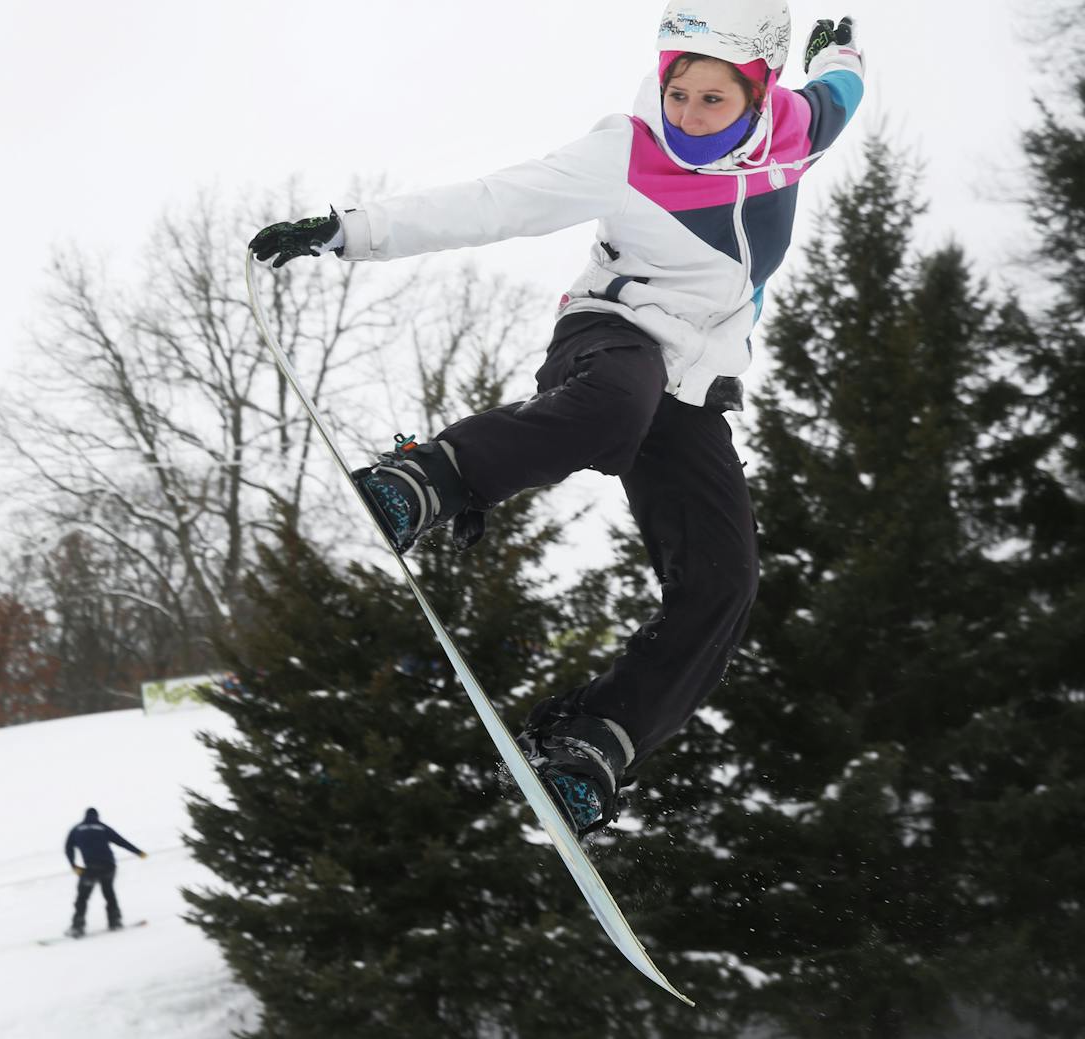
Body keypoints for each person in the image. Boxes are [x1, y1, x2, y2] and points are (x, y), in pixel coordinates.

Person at [248, 1, 864, 836]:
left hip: (697, 386)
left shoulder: (800, 129)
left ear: (758, 94)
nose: (686, 115)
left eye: (711, 101)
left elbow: (843, 85)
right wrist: (345, 231)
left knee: (724, 581)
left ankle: (596, 737)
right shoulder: (627, 149)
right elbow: (493, 202)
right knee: (619, 402)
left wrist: (844, 49)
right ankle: (428, 477)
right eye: (677, 91)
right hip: (611, 336)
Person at [64, 807, 147, 937]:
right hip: (109, 867)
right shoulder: (102, 827)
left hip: (91, 868)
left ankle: (78, 926)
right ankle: (115, 921)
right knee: (109, 893)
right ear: (97, 816)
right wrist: (138, 852)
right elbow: (121, 841)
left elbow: (68, 848)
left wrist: (74, 865)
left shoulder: (77, 829)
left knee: (82, 897)